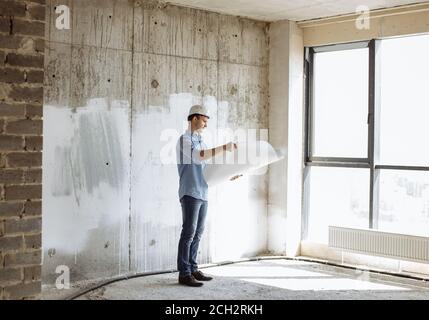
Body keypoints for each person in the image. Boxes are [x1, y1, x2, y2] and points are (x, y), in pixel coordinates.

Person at [176, 104, 240, 287]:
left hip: (203, 191)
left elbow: (209, 168)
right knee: (188, 232)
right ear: (194, 118)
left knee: (198, 232)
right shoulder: (184, 140)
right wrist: (224, 147)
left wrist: (228, 175)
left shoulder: (201, 140)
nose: (205, 125)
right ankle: (184, 273)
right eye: (204, 121)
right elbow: (199, 157)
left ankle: (193, 268)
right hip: (190, 191)